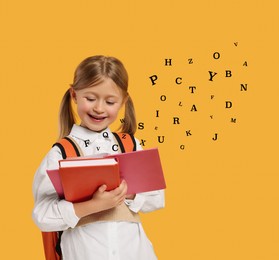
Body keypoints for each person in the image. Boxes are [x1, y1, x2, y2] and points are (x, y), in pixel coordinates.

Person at [32, 55, 165, 260]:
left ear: (123, 102)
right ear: (74, 95)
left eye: (110, 101)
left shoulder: (130, 146)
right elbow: (42, 216)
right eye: (90, 99)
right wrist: (92, 206)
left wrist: (126, 193)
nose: (99, 108)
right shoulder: (61, 153)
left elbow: (157, 198)